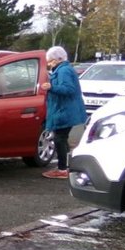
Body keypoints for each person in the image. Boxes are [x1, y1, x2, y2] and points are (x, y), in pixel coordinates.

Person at [40, 46, 87, 179]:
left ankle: (62, 169)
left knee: (59, 139)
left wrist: (51, 87)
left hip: (64, 111)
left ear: (57, 59)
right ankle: (65, 166)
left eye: (50, 61)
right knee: (62, 138)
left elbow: (68, 89)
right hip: (67, 110)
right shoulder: (65, 69)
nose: (49, 64)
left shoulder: (64, 71)